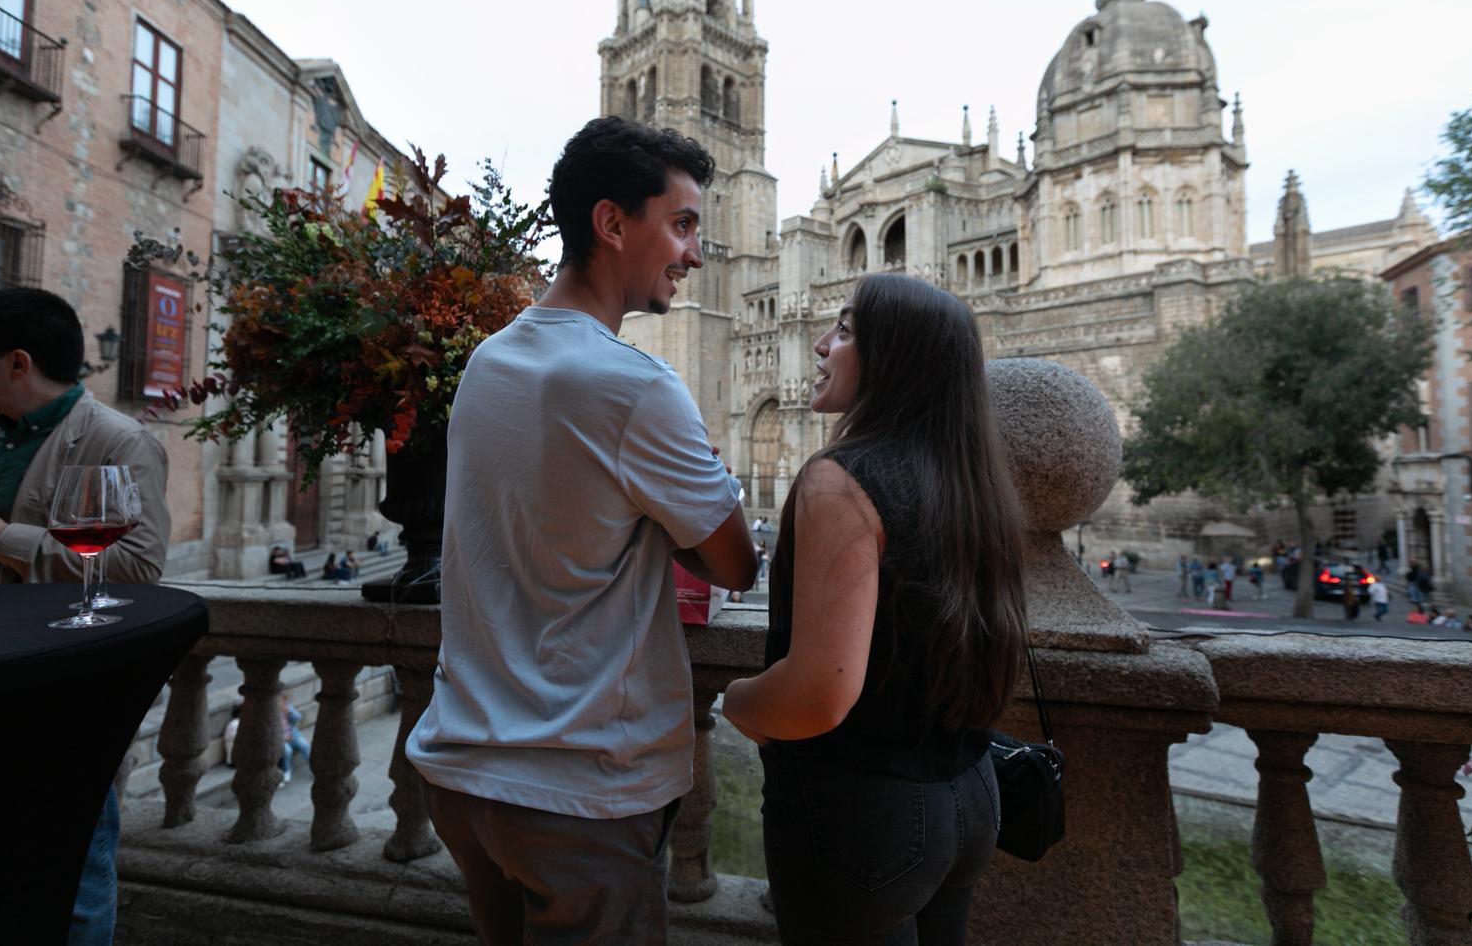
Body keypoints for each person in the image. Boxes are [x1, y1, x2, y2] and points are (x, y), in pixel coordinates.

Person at [405, 117, 756, 944]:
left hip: (461, 772)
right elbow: (735, 561)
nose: (695, 254)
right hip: (578, 793)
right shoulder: (635, 386)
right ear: (611, 223)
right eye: (681, 225)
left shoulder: (487, 362)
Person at [721, 273, 1027, 945]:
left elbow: (819, 694)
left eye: (847, 330)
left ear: (897, 359)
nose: (823, 344)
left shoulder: (842, 480)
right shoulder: (973, 483)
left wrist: (737, 702)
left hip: (865, 811)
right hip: (970, 797)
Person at [0, 287, 171, 946]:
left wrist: (3, 539)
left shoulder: (119, 440)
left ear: (16, 361)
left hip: (58, 696)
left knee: (76, 867)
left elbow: (139, 567)